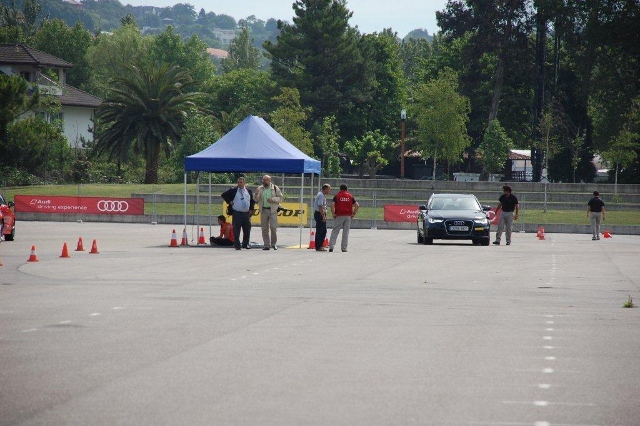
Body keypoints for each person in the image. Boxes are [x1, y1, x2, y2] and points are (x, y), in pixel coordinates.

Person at [221, 176, 255, 250]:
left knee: (247, 229)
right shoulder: (234, 190)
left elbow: (252, 201)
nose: (239, 184)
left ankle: (245, 244)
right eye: (238, 182)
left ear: (244, 183)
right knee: (236, 229)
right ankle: (237, 245)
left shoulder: (248, 191)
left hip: (246, 213)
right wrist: (230, 202)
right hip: (237, 213)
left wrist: (251, 209)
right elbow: (223, 195)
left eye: (241, 182)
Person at [253, 175, 284, 250]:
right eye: (263, 180)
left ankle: (273, 244)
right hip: (263, 210)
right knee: (264, 228)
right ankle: (266, 245)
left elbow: (280, 198)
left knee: (273, 227)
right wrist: (256, 194)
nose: (264, 181)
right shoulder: (260, 188)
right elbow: (256, 199)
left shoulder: (275, 188)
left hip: (272, 210)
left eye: (266, 180)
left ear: (270, 180)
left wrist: (273, 199)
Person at [328, 184, 359, 252]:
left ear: (340, 189)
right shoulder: (350, 196)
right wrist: (353, 213)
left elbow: (332, 204)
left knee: (335, 231)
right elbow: (357, 205)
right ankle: (344, 248)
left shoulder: (337, 196)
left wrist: (333, 213)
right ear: (347, 189)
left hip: (339, 215)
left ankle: (331, 246)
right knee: (345, 232)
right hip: (348, 216)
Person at [313, 184, 331, 251]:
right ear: (325, 189)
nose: (329, 191)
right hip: (319, 214)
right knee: (320, 231)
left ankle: (320, 245)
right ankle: (318, 246)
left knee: (323, 231)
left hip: (321, 213)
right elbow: (320, 206)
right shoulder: (321, 195)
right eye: (328, 189)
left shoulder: (322, 195)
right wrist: (323, 216)